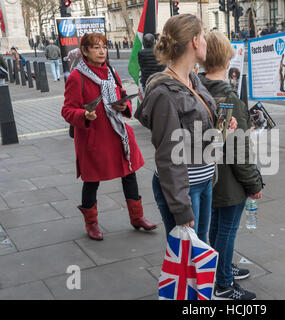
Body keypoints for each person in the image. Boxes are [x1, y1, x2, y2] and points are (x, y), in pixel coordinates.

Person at [135, 14, 237, 242]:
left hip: (203, 180)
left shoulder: (192, 79)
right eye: (202, 36)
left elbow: (196, 130)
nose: (205, 41)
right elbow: (168, 155)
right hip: (185, 188)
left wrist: (222, 127)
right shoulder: (165, 93)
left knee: (199, 251)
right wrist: (180, 206)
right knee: (186, 258)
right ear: (193, 41)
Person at [61, 33, 157, 241]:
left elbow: (121, 94)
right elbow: (67, 110)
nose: (102, 51)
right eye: (96, 48)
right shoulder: (77, 77)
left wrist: (125, 105)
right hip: (93, 138)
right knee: (91, 181)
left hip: (118, 135)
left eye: (104, 46)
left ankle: (137, 217)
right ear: (85, 51)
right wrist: (84, 115)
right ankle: (92, 223)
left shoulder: (110, 71)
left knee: (129, 175)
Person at [198, 31, 263, 300]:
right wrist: (254, 183)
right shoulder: (229, 97)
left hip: (208, 173)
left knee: (215, 226)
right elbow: (240, 150)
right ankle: (223, 283)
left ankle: (219, 269)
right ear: (228, 59)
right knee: (226, 230)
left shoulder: (198, 88)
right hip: (229, 178)